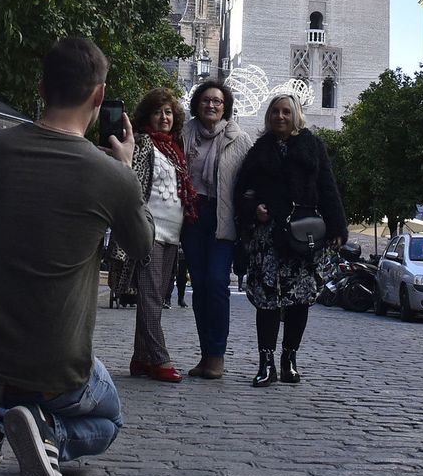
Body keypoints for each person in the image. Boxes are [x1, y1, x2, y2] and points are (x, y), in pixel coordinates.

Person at [0, 38, 150, 476]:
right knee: (108, 421)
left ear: (41, 87)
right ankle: (47, 433)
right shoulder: (111, 176)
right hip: (54, 371)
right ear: (99, 97)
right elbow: (141, 245)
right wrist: (126, 168)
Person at [233, 93, 348, 388]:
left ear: (296, 115)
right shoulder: (259, 150)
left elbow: (328, 187)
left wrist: (337, 227)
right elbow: (241, 191)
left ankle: (289, 360)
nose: (280, 117)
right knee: (268, 301)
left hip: (303, 236)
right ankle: (266, 363)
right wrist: (252, 208)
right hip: (269, 236)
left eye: (286, 112)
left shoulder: (313, 146)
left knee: (299, 301)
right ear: (268, 116)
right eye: (275, 112)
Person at [123, 88, 199, 383]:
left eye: (168, 112)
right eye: (158, 112)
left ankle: (140, 358)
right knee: (152, 297)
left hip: (172, 233)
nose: (164, 117)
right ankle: (159, 357)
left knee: (155, 296)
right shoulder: (142, 144)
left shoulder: (174, 149)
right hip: (149, 230)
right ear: (148, 116)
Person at [180, 78, 252, 380]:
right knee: (199, 286)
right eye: (206, 100)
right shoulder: (183, 133)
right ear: (197, 103)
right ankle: (205, 354)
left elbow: (250, 181)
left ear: (226, 107)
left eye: (217, 101)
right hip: (193, 217)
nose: (211, 105)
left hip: (223, 218)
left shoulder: (239, 138)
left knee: (217, 283)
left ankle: (217, 355)